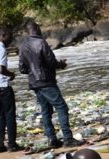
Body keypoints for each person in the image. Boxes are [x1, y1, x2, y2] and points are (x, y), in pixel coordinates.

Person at [18, 19, 79, 148]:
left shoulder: (23, 46)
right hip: (46, 81)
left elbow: (22, 69)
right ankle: (68, 138)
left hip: (34, 83)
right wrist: (61, 65)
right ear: (37, 28)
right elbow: (51, 62)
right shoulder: (41, 42)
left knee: (46, 110)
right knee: (61, 107)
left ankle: (52, 139)